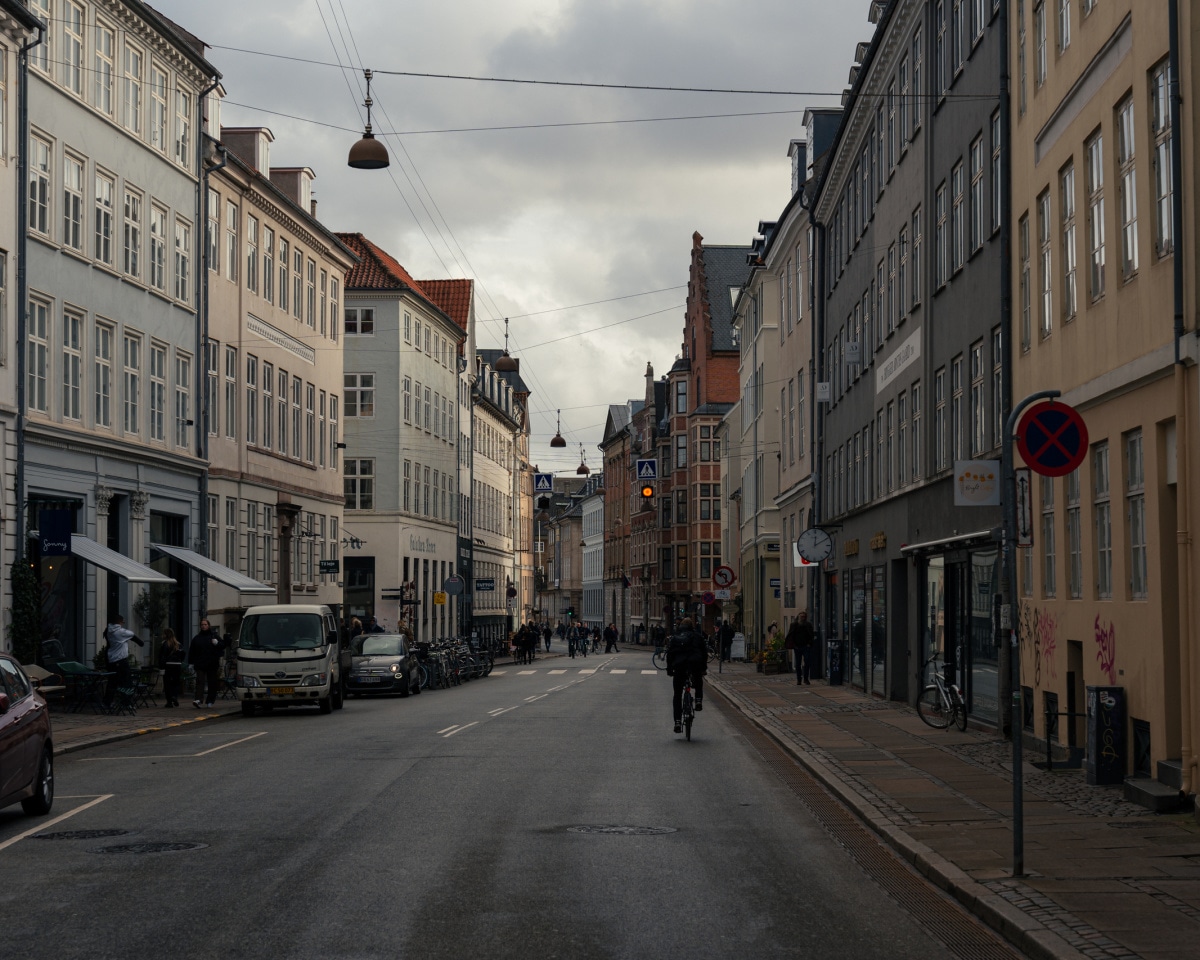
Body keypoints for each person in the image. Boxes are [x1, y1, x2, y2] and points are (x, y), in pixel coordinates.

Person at [666, 617, 708, 733]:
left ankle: (678, 722)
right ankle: (698, 700)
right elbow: (704, 653)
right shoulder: (697, 637)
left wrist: (669, 670)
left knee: (677, 695)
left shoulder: (675, 638)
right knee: (698, 680)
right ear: (692, 626)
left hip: (679, 667)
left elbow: (670, 655)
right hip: (694, 665)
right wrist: (703, 668)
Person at [102, 613, 145, 709]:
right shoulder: (122, 632)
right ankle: (126, 703)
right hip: (121, 661)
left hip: (111, 660)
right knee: (127, 682)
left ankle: (106, 702)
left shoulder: (108, 630)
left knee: (112, 682)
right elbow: (139, 642)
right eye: (123, 622)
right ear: (120, 622)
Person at [188, 618, 227, 708]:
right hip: (200, 663)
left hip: (212, 663)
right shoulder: (197, 638)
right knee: (199, 681)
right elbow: (192, 651)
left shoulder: (214, 636)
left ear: (208, 626)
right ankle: (198, 699)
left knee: (211, 682)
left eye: (205, 624)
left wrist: (217, 644)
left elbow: (222, 646)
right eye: (202, 624)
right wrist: (191, 663)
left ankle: (210, 700)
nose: (203, 626)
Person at [790, 612, 816, 685]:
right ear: (798, 617)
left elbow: (811, 635)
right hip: (797, 647)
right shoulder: (794, 625)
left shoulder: (808, 625)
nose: (802, 618)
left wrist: (809, 644)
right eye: (801, 617)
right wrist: (794, 645)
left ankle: (806, 678)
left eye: (804, 617)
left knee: (807, 662)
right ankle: (799, 679)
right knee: (798, 664)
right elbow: (791, 635)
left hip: (806, 646)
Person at [160, 628, 183, 707]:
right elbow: (182, 655)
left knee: (167, 683)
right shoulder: (178, 644)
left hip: (168, 665)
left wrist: (161, 667)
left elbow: (162, 656)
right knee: (175, 683)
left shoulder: (165, 644)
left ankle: (169, 701)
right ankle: (174, 696)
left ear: (165, 635)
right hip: (177, 665)